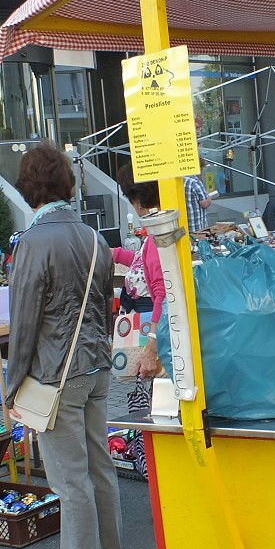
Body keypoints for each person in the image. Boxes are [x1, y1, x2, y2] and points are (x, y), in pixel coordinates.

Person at [5, 144, 124, 549]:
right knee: (101, 469)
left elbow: (25, 322)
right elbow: (105, 302)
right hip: (96, 366)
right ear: (66, 185)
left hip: (57, 373)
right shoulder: (94, 237)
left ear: (28, 186)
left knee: (70, 480)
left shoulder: (32, 242)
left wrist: (14, 384)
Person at [113, 165, 165, 389]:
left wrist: (151, 346)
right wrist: (115, 254)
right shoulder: (158, 230)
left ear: (137, 199)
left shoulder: (157, 236)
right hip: (155, 324)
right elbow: (141, 262)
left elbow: (163, 293)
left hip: (154, 326)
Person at [184, 158, 212, 233]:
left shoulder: (181, 180)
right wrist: (209, 197)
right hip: (198, 228)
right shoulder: (195, 182)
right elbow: (204, 204)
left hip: (186, 227)